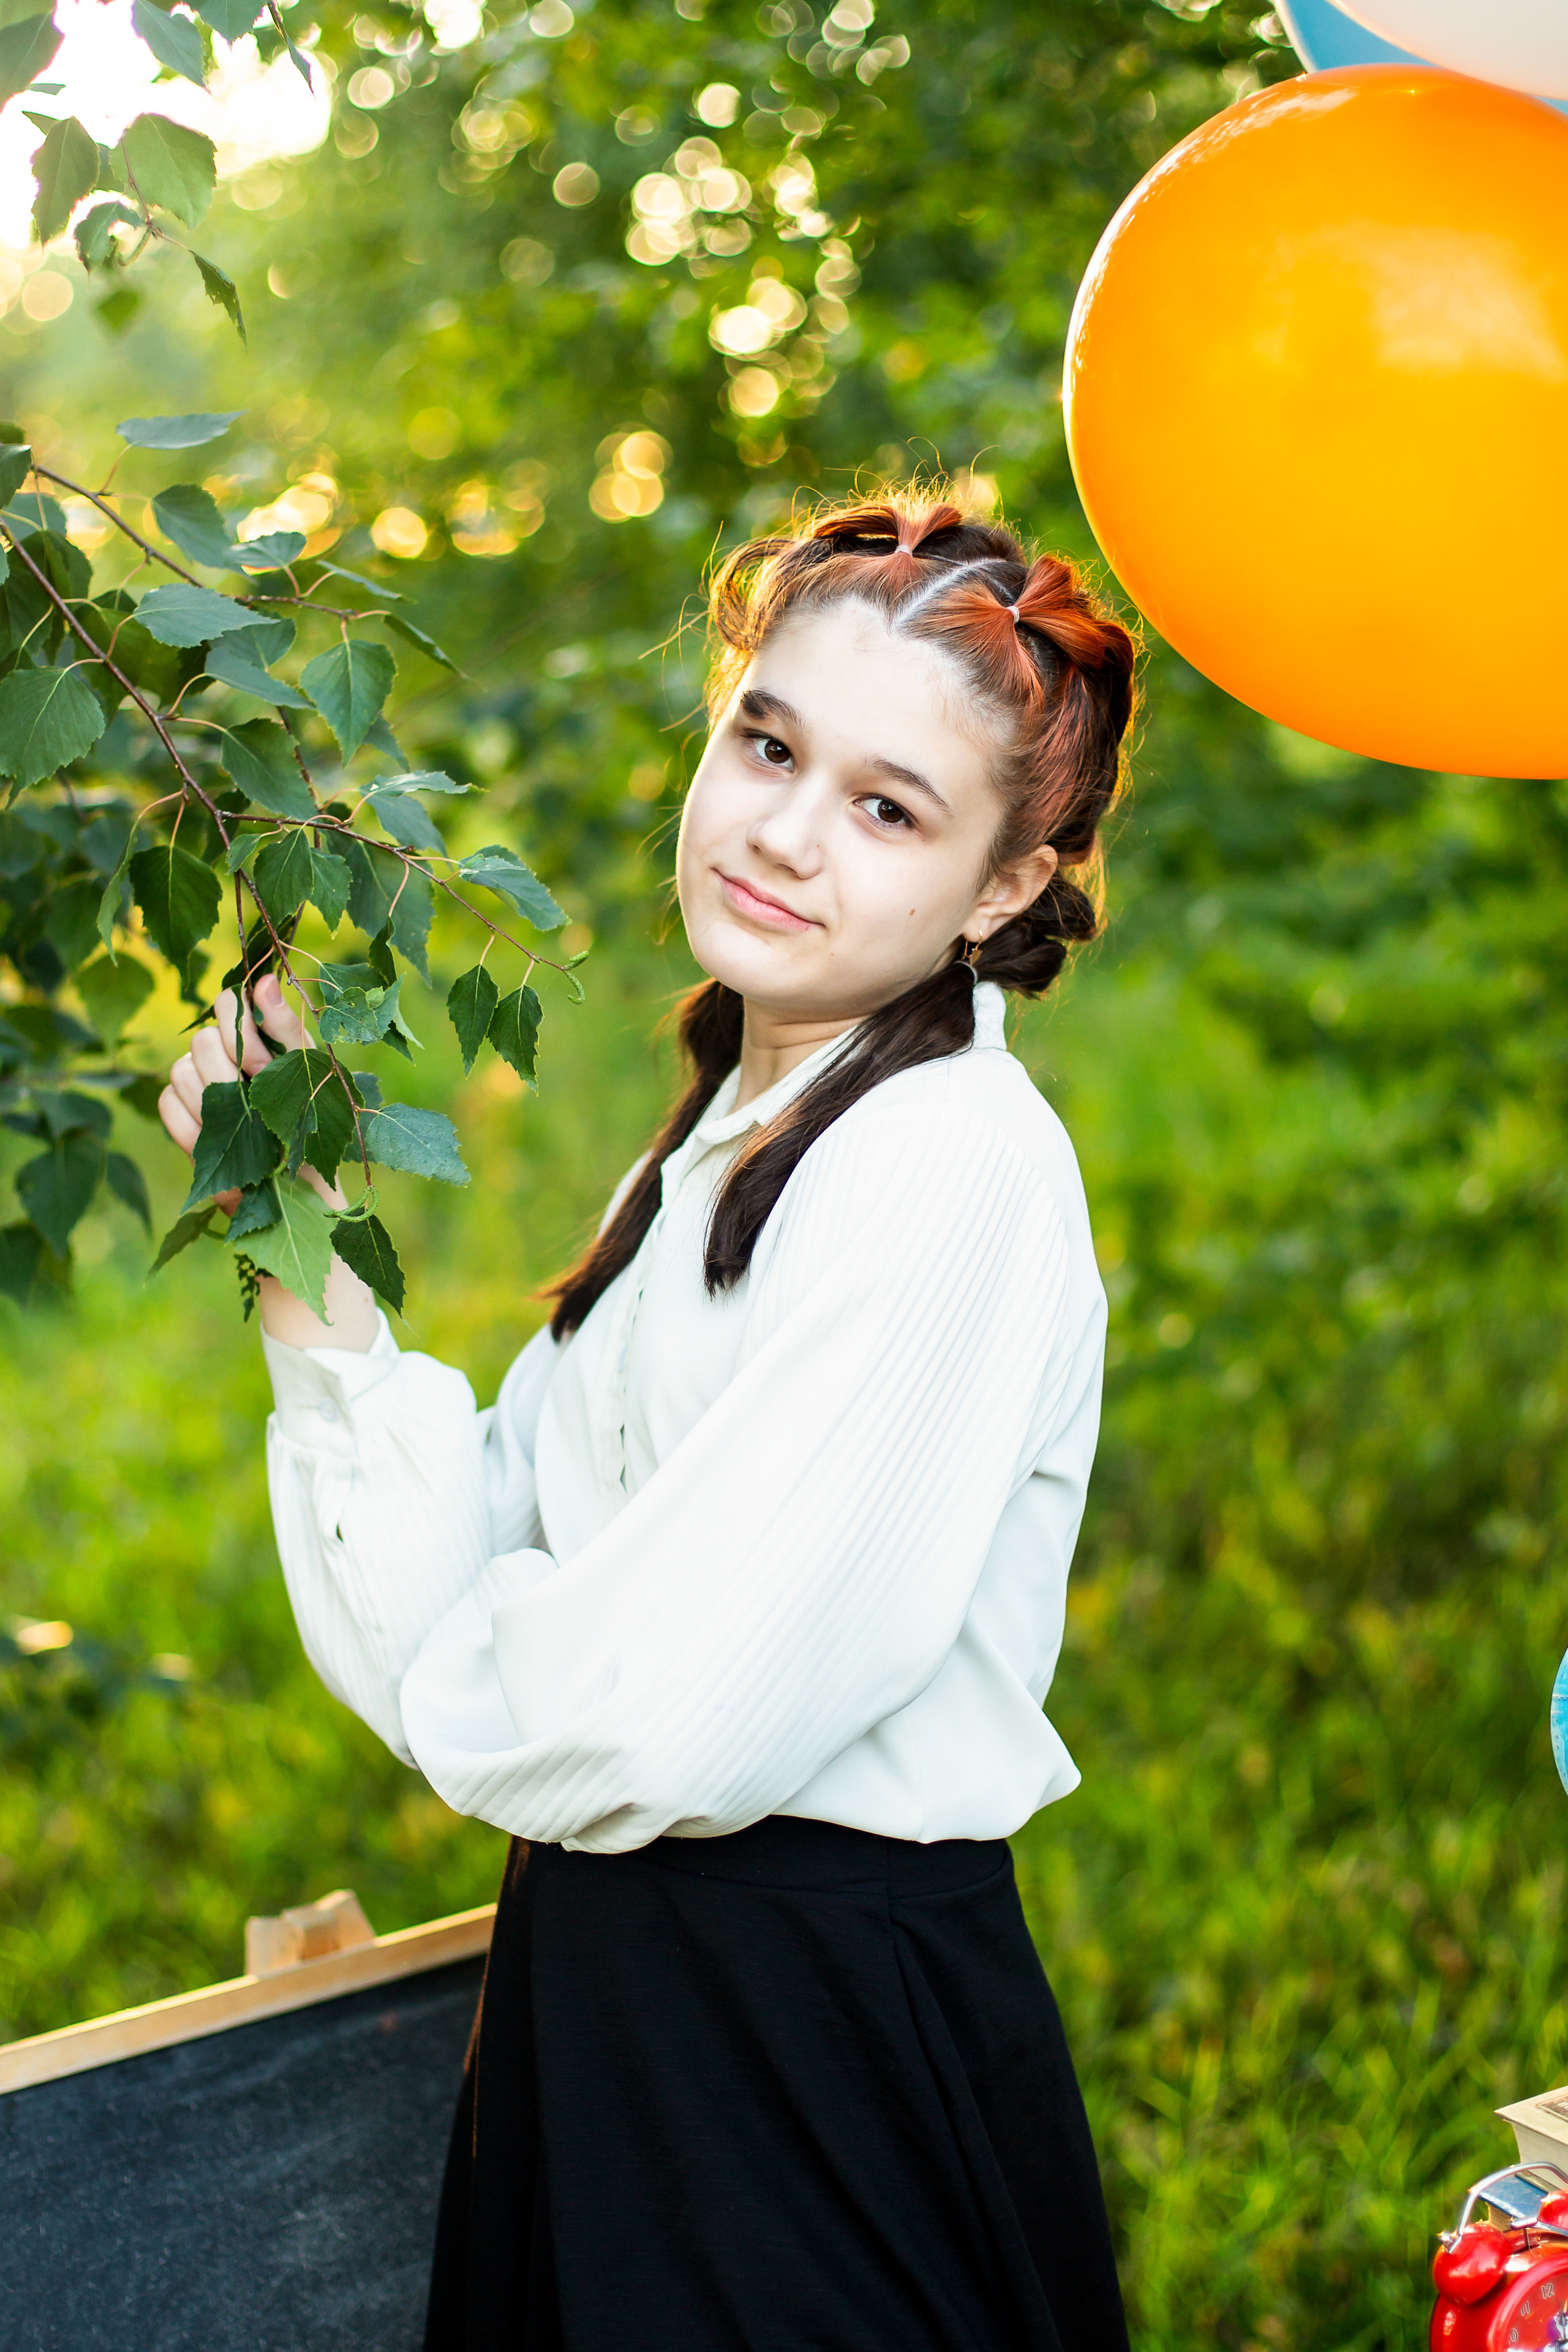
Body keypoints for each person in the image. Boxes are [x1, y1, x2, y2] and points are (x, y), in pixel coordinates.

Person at [159, 491, 1136, 2352]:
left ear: (1007, 883)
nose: (781, 829)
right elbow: (498, 1563)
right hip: (614, 1992)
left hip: (806, 2048)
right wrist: (298, 1254)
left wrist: (506, 1675)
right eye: (765, 742)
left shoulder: (950, 1171)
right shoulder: (733, 1134)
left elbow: (665, 1715)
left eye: (886, 805)